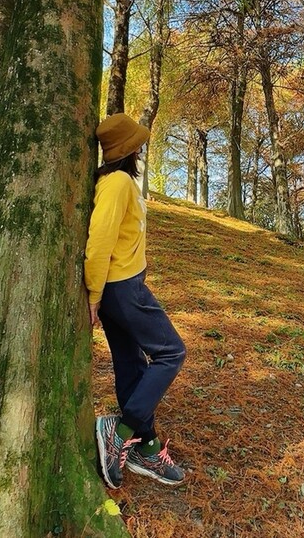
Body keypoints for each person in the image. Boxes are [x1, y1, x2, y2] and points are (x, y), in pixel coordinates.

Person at [85, 112, 187, 489]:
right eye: (138, 143)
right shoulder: (119, 184)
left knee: (130, 365)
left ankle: (146, 447)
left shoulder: (117, 182)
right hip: (122, 288)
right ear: (130, 150)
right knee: (171, 353)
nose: (142, 146)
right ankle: (120, 430)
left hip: (121, 285)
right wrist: (94, 293)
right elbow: (99, 241)